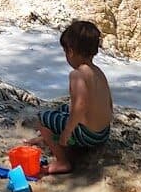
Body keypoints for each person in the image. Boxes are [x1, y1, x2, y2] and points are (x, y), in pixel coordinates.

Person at [36, 20, 113, 174]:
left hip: (88, 135)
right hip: (103, 133)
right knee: (63, 109)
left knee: (43, 119)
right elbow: (109, 103)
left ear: (70, 51)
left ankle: (62, 162)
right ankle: (49, 137)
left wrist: (67, 132)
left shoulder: (77, 75)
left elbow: (80, 106)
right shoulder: (98, 72)